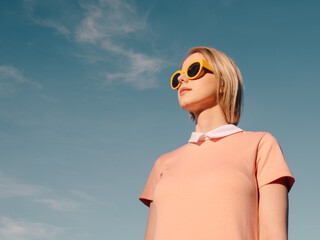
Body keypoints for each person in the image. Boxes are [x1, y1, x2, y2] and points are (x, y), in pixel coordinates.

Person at [139, 46, 295, 240]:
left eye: (194, 70)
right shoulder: (162, 163)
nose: (181, 79)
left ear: (223, 83)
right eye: (177, 76)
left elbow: (274, 235)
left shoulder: (261, 145)